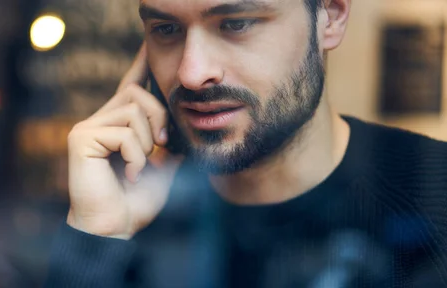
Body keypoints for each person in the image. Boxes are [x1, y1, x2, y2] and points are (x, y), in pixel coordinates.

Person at [45, 0, 447, 287]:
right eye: (166, 29)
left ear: (331, 17)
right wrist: (96, 240)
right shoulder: (131, 220)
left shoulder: (435, 195)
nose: (192, 72)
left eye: (236, 23)